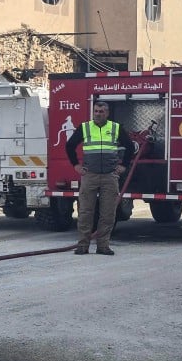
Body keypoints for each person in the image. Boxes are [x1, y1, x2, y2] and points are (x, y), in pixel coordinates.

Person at [64, 101, 134, 256]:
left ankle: (103, 246)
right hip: (90, 175)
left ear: (107, 113)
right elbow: (69, 146)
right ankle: (83, 246)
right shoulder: (85, 127)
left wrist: (124, 165)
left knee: (108, 213)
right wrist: (76, 165)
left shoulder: (115, 128)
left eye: (101, 111)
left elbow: (130, 147)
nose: (98, 114)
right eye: (96, 111)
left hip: (110, 176)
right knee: (85, 212)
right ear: (93, 112)